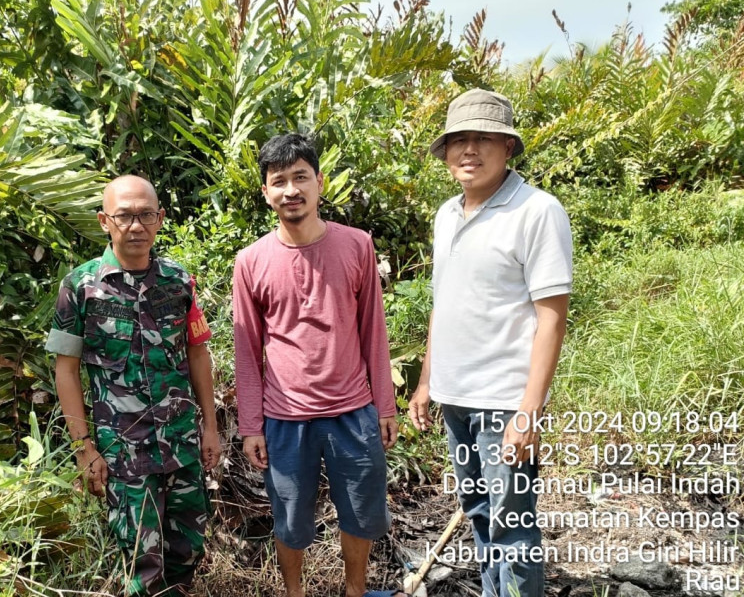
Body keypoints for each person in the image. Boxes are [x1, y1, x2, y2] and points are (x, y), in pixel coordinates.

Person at [408, 88, 572, 597]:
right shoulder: (445, 215)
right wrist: (427, 382)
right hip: (456, 399)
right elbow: (445, 301)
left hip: (504, 402)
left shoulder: (538, 211)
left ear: (507, 146)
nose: (469, 150)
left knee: (513, 527)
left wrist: (529, 411)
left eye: (483, 139)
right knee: (480, 515)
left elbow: (552, 319)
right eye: (459, 140)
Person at [233, 133, 405, 597]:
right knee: (290, 518)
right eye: (279, 181)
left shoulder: (356, 245)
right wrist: (251, 425)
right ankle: (295, 593)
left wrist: (385, 407)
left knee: (362, 512)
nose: (291, 189)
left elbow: (373, 330)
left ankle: (354, 591)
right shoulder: (250, 262)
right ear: (266, 193)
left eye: (300, 177)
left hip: (354, 410)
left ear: (319, 183)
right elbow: (247, 351)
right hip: (285, 418)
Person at [45, 175, 221, 597]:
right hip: (122, 452)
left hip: (180, 444)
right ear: (105, 221)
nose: (136, 226)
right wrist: (83, 448)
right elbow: (65, 371)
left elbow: (197, 354)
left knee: (187, 550)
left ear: (160, 219)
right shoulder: (80, 287)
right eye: (125, 216)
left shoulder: (179, 281)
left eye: (146, 215)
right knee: (140, 564)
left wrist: (210, 428)